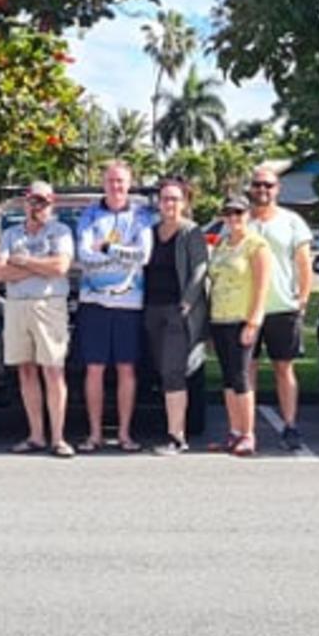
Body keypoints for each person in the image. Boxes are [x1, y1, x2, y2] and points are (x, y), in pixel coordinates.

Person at [74, 160, 152, 452]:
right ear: (103, 183)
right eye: (111, 181)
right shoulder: (89, 215)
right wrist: (122, 254)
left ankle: (124, 434)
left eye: (121, 181)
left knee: (126, 370)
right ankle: (94, 434)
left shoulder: (141, 214)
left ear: (129, 184)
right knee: (93, 369)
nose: (116, 186)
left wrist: (106, 248)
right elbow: (83, 254)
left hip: (129, 303)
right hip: (93, 301)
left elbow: (143, 255)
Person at [0, 182, 76, 458]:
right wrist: (41, 267)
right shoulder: (9, 233)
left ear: (51, 203)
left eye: (42, 201)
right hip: (16, 305)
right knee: (26, 371)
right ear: (25, 203)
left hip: (49, 305)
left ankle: (58, 437)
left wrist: (25, 262)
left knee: (53, 370)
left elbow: (60, 267)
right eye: (33, 201)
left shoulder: (61, 231)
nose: (37, 206)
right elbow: (1, 273)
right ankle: (36, 435)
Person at [244, 166, 314, 451]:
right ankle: (245, 430)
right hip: (245, 309)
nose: (263, 190)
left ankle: (290, 425)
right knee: (246, 369)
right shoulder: (239, 220)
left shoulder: (292, 222)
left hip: (282, 306)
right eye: (258, 185)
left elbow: (304, 263)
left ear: (278, 189)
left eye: (268, 185)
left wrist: (303, 300)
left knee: (283, 368)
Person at [144, 176, 210, 456]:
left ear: (184, 202)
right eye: (165, 198)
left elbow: (199, 269)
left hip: (177, 312)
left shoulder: (191, 232)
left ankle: (177, 437)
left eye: (175, 199)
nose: (169, 203)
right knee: (162, 370)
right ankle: (172, 428)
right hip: (151, 310)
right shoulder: (151, 231)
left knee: (174, 373)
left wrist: (187, 303)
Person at [207, 194, 271, 456]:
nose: (234, 219)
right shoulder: (222, 244)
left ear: (248, 216)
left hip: (241, 319)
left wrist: (253, 322)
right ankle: (234, 431)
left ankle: (248, 433)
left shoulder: (256, 246)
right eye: (229, 214)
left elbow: (261, 286)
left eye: (239, 214)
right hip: (220, 318)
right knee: (228, 379)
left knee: (242, 377)